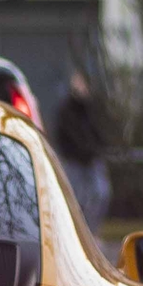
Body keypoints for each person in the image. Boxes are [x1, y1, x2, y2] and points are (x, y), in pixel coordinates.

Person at [52, 68, 112, 227]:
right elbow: (68, 135)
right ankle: (77, 231)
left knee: (101, 194)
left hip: (91, 160)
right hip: (74, 161)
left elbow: (100, 131)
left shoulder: (91, 109)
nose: (81, 87)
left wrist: (98, 148)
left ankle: (90, 231)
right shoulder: (67, 109)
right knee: (76, 199)